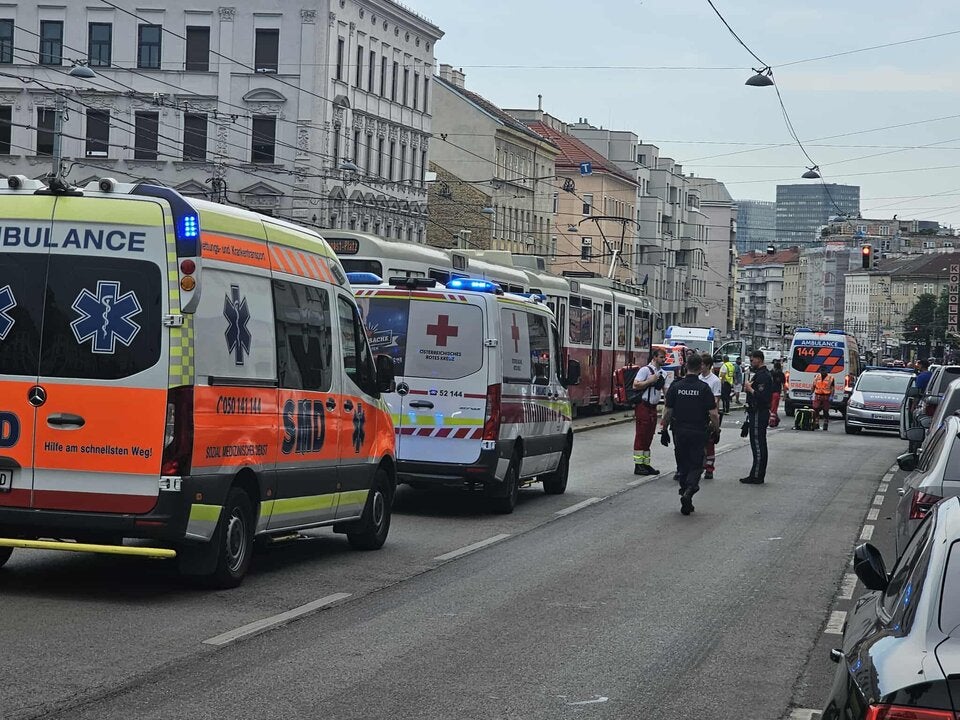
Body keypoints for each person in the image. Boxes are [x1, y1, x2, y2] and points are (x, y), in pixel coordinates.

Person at [661, 353, 721, 515]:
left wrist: (663, 428)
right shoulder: (703, 388)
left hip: (679, 431)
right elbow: (714, 413)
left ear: (686, 366)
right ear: (700, 366)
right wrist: (716, 429)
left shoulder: (676, 386)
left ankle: (684, 490)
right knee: (697, 464)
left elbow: (667, 410)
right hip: (698, 431)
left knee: (682, 463)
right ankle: (689, 490)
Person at [631, 347, 668, 476]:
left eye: (664, 357)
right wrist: (649, 381)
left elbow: (665, 391)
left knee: (649, 435)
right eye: (661, 357)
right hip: (643, 406)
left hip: (653, 408)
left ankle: (646, 464)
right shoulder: (645, 370)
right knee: (641, 435)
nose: (663, 359)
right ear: (654, 357)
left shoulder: (662, 373)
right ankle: (638, 465)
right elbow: (635, 385)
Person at [740, 350, 773, 485]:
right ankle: (755, 473)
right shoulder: (759, 375)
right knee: (756, 444)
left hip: (759, 412)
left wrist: (750, 389)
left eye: (752, 360)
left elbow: (763, 398)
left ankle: (758, 475)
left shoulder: (763, 376)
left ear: (759, 360)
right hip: (755, 412)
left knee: (758, 444)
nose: (751, 363)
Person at [698, 352, 723, 479]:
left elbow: (715, 401)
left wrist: (714, 420)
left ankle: (709, 468)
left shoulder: (715, 381)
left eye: (702, 364)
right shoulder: (698, 378)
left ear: (708, 365)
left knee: (709, 443)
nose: (700, 367)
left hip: (709, 415)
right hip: (698, 416)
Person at [769, 359, 786, 427]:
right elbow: (784, 385)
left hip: (770, 392)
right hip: (776, 393)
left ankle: (772, 421)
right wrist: (785, 395)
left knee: (772, 408)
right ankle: (775, 419)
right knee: (773, 408)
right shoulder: (781, 374)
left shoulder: (770, 373)